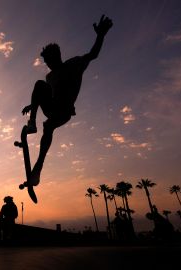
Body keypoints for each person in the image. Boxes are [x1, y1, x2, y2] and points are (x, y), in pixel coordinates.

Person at [21, 15, 113, 185]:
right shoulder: (49, 76)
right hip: (53, 108)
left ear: (57, 57)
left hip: (64, 111)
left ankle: (38, 168)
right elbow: (43, 93)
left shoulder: (74, 64)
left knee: (48, 126)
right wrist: (32, 104)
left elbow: (93, 54)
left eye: (49, 61)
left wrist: (100, 35)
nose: (48, 65)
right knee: (40, 87)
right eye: (46, 62)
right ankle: (32, 124)